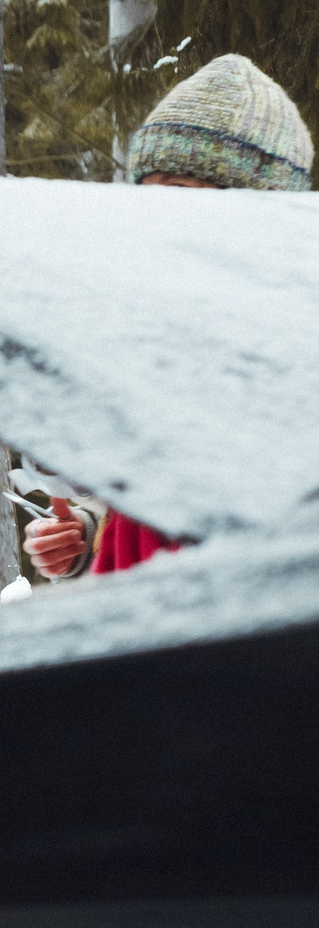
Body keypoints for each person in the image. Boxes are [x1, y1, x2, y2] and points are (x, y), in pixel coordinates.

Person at [24, 53, 312, 581]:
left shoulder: (295, 334)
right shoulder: (160, 318)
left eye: (181, 195)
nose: (158, 220)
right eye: (148, 198)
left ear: (257, 206)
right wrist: (88, 534)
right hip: (143, 628)